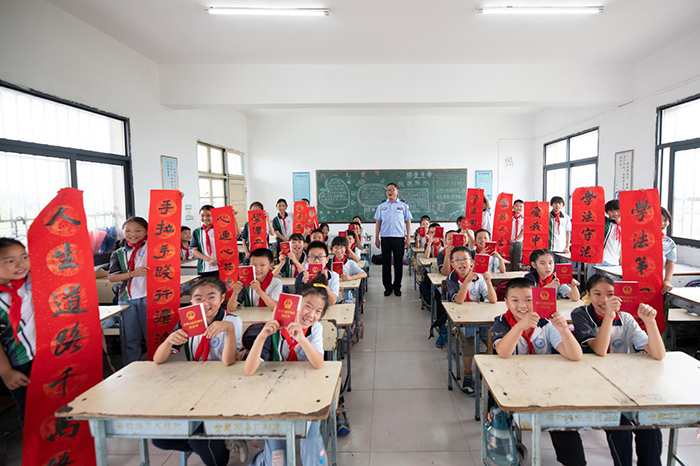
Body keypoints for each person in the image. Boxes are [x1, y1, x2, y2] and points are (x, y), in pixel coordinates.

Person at [572, 274, 665, 466]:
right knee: (620, 424)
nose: (604, 300)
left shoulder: (626, 318)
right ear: (588, 294)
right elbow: (599, 350)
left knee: (649, 423)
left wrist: (650, 322)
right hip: (593, 384)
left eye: (610, 294)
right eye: (597, 294)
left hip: (625, 383)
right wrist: (609, 317)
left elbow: (658, 354)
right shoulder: (581, 314)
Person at [152, 277, 244, 465]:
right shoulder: (188, 321)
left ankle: (215, 445)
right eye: (198, 298)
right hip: (194, 385)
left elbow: (228, 362)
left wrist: (228, 330)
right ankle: (221, 441)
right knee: (160, 439)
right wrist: (169, 341)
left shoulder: (232, 321)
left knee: (200, 440)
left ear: (222, 298)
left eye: (211, 297)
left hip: (224, 386)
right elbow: (158, 359)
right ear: (191, 301)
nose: (205, 303)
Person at [493, 278, 583, 466]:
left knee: (560, 414)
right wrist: (520, 326)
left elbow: (575, 355)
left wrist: (564, 330)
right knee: (497, 412)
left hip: (546, 385)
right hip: (510, 385)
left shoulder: (546, 322)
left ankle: (574, 461)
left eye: (528, 299)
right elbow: (503, 352)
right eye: (515, 300)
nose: (522, 306)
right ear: (506, 302)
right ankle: (506, 453)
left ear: (537, 300)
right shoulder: (501, 322)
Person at [245, 277, 330, 466]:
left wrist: (302, 339)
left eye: (318, 311)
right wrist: (261, 336)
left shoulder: (314, 329)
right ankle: (261, 460)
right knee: (277, 453)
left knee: (311, 441)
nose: (311, 314)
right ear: (297, 304)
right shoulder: (276, 326)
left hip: (307, 395)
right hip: (273, 395)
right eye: (307, 306)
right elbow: (249, 370)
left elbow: (318, 363)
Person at [445, 246, 497, 387]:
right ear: (453, 264)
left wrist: (488, 282)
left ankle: (486, 371)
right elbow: (459, 300)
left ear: (472, 262)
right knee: (469, 343)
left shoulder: (479, 277)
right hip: (460, 321)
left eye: (464, 259)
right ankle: (468, 373)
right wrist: (466, 281)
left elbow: (493, 300)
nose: (461, 263)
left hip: (480, 318)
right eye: (457, 260)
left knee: (492, 339)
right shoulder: (451, 279)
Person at [0, 238, 34, 424]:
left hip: (52, 355)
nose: (21, 264)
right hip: (21, 365)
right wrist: (6, 372)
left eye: (24, 257)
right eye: (10, 261)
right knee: (32, 414)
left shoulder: (33, 281)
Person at [108, 217, 149, 364]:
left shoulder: (153, 248)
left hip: (149, 297)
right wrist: (132, 274)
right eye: (128, 231)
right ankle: (132, 366)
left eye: (138, 230)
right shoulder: (118, 253)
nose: (133, 234)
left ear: (146, 231)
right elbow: (112, 277)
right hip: (127, 299)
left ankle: (156, 364)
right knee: (130, 337)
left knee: (152, 334)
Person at [374, 183, 412, 297]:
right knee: (386, 263)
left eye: (392, 190)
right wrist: (376, 237)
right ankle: (387, 287)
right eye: (388, 190)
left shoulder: (403, 205)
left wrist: (408, 238)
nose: (390, 192)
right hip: (385, 238)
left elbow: (408, 222)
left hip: (399, 238)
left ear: (397, 191)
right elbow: (378, 222)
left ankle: (397, 287)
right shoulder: (381, 206)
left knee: (398, 263)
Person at [588, 199, 622, 279]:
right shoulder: (604, 223)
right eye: (612, 211)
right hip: (599, 261)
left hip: (614, 263)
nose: (615, 213)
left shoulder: (625, 226)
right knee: (594, 284)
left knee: (611, 286)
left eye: (618, 211)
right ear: (607, 212)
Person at [331, 236, 367, 302]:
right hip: (332, 292)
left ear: (345, 249)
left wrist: (351, 277)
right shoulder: (328, 263)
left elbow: (364, 274)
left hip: (346, 293)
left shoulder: (350, 263)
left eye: (341, 247)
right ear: (332, 249)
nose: (338, 250)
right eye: (336, 247)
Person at [190, 205, 219, 277]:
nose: (205, 218)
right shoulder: (197, 232)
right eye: (202, 216)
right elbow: (194, 250)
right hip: (204, 268)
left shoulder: (220, 230)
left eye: (208, 215)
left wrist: (233, 217)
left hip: (220, 266)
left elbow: (237, 235)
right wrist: (209, 259)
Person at [548, 196, 572, 261]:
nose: (557, 205)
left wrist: (567, 247)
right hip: (550, 248)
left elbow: (568, 232)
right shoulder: (547, 216)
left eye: (559, 203)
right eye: (555, 203)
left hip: (562, 248)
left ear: (563, 205)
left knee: (562, 266)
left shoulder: (566, 217)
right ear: (551, 204)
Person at [661, 207, 676, 293]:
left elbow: (670, 262)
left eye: (665, 220)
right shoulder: (639, 239)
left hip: (659, 282)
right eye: (658, 220)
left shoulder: (669, 243)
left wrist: (667, 280)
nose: (662, 224)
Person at [509, 199, 524, 271]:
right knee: (508, 259)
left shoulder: (523, 219)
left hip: (518, 242)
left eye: (520, 206)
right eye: (517, 206)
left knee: (517, 259)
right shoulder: (508, 216)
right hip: (508, 241)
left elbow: (523, 231)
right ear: (513, 206)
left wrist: (515, 239)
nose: (518, 208)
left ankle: (516, 274)